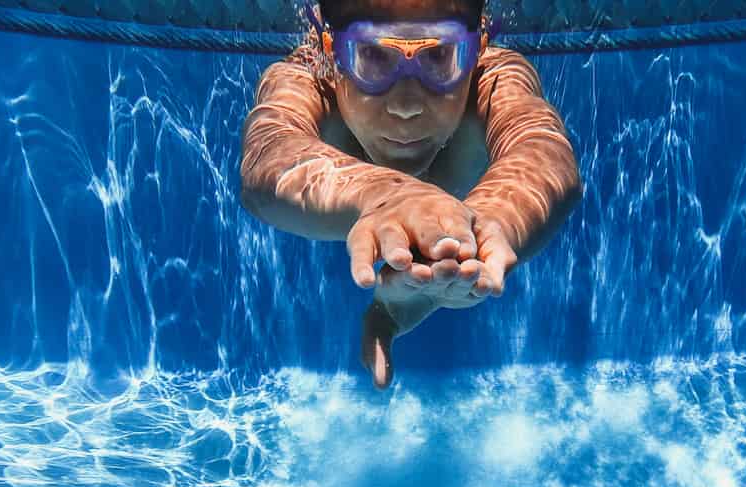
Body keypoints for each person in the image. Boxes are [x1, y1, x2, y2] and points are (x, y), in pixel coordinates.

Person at [240, 0, 581, 389]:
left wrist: (485, 226)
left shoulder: (496, 78)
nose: (405, 105)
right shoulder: (306, 78)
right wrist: (386, 194)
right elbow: (267, 157)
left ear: (479, 47)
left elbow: (542, 149)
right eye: (372, 55)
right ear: (328, 47)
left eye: (439, 56)